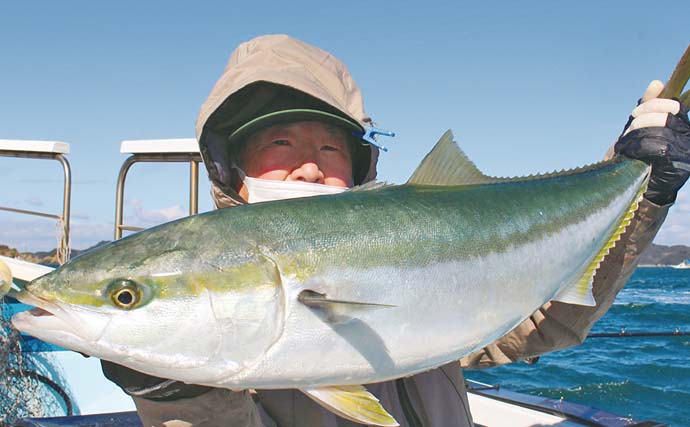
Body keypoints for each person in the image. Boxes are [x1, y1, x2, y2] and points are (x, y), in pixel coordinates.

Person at [102, 34, 690, 426]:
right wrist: (176, 393)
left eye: (330, 145)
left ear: (359, 166)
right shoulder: (203, 275)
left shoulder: (417, 231)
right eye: (279, 142)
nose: (308, 164)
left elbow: (541, 326)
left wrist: (643, 190)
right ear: (233, 169)